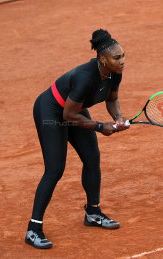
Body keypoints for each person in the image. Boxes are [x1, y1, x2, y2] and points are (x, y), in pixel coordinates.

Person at [25, 29, 129, 249]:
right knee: (55, 169)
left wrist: (117, 117)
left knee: (92, 158)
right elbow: (68, 116)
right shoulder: (84, 77)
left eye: (123, 56)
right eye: (117, 57)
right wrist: (101, 126)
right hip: (52, 111)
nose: (122, 61)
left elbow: (112, 99)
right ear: (103, 59)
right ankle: (33, 229)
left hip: (75, 110)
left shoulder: (114, 73)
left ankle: (93, 213)